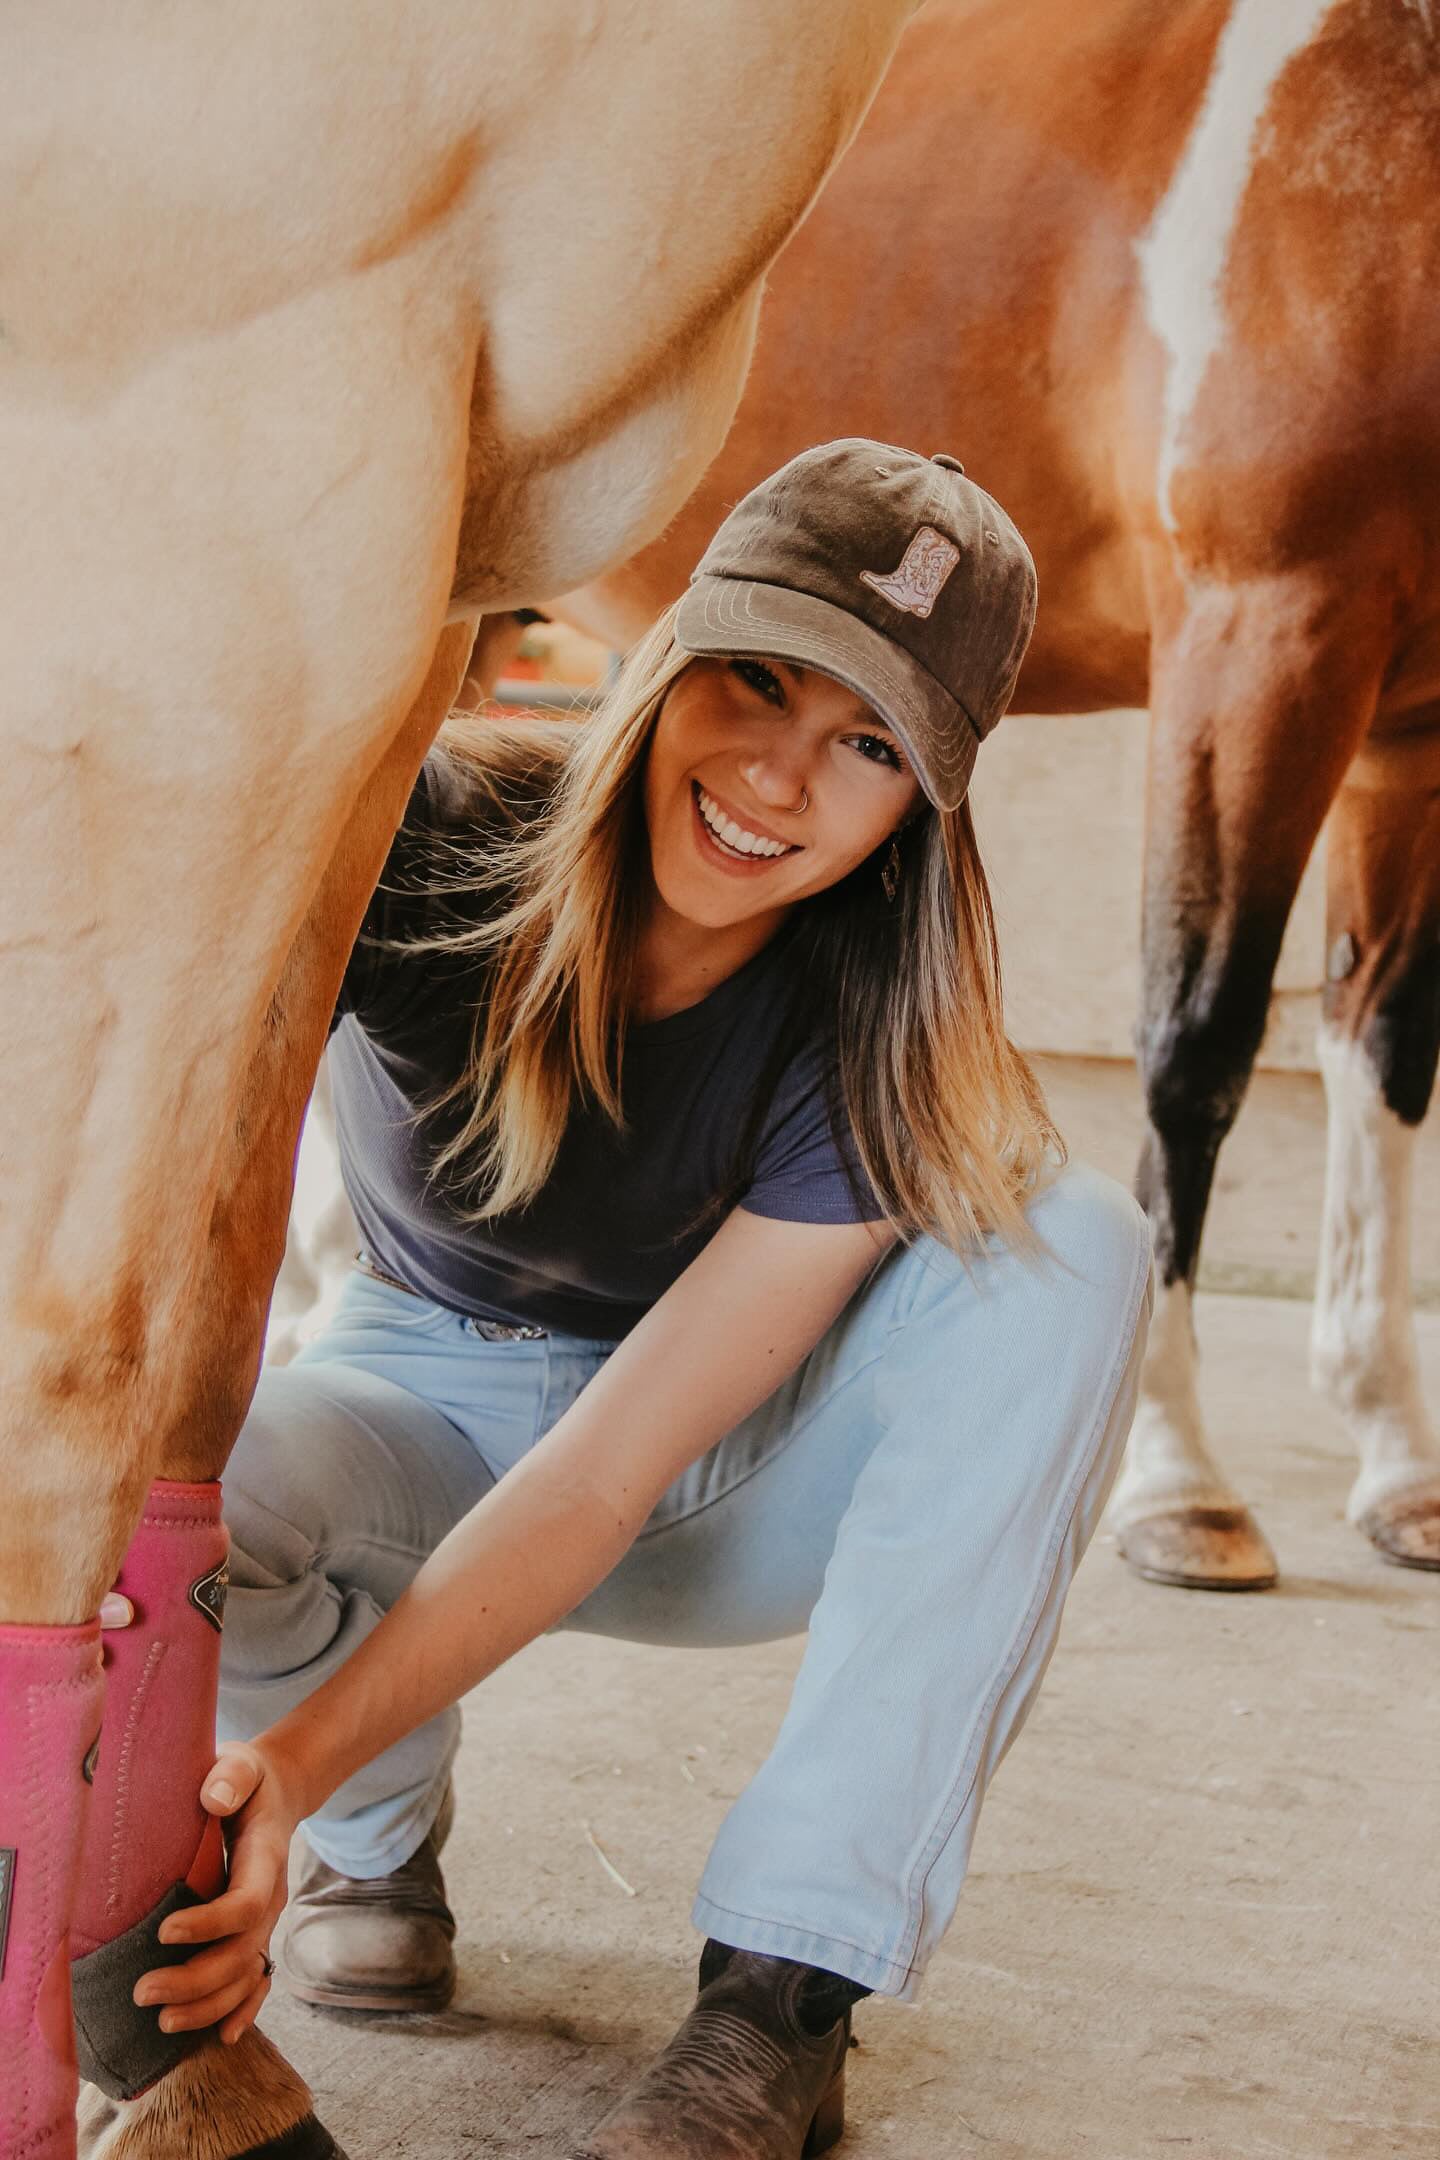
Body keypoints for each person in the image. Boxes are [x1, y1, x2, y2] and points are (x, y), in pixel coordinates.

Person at [136, 441, 1153, 2158]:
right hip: (414, 1391)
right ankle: (375, 1849)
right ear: (672, 648)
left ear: (926, 799)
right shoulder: (432, 831)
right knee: (195, 1499)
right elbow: (179, 1206)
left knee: (1076, 1239)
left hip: (720, 1462)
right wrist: (281, 1789)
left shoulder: (867, 1017)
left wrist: (284, 1764)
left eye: (869, 744)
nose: (778, 774)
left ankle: (781, 1994)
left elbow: (607, 1479)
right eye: (759, 678)